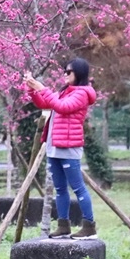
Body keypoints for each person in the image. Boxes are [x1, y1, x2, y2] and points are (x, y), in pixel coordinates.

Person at [24, 58, 98, 240]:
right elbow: (45, 104)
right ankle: (63, 225)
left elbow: (62, 108)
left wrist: (42, 88)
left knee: (78, 187)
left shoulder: (81, 94)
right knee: (60, 189)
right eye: (64, 71)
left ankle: (89, 227)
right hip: (54, 146)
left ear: (79, 74)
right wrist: (32, 89)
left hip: (68, 146)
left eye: (69, 72)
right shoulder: (66, 92)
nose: (65, 74)